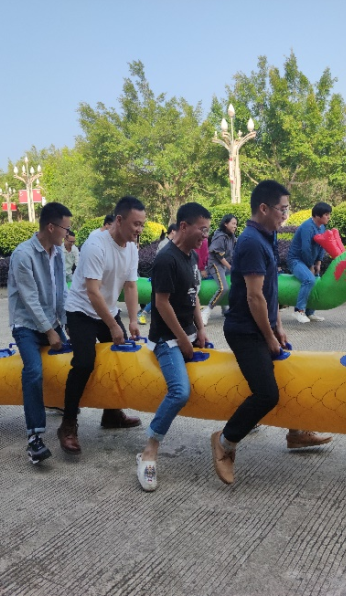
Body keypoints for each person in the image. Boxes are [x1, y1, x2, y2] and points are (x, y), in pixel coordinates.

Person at [210, 180, 292, 485]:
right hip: (245, 331)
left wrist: (278, 326)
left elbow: (271, 290)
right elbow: (254, 297)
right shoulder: (251, 242)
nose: (286, 214)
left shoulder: (268, 235)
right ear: (264, 208)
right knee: (267, 394)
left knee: (289, 372)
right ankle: (225, 441)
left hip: (263, 326)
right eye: (282, 209)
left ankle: (297, 431)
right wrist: (269, 337)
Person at [59, 196, 145, 454]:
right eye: (135, 224)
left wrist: (132, 320)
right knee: (84, 363)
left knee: (121, 359)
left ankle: (111, 414)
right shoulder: (95, 245)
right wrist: (113, 326)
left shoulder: (132, 248)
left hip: (107, 310)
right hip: (81, 310)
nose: (139, 230)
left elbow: (131, 286)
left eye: (142, 224)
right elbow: (92, 292)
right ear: (119, 220)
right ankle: (68, 424)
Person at [136, 203, 210, 491]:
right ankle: (149, 450)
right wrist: (181, 339)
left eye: (207, 230)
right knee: (180, 392)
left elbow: (193, 296)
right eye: (202, 229)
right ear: (183, 226)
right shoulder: (166, 258)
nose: (205, 235)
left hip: (189, 334)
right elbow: (161, 303)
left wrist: (200, 329)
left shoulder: (191, 256)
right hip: (166, 340)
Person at [7, 203, 71, 464]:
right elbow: (29, 298)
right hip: (26, 325)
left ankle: (68, 423)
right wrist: (49, 331)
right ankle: (34, 438)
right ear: (51, 227)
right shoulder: (23, 254)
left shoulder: (58, 252)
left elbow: (61, 291)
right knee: (33, 371)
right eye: (66, 228)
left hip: (52, 322)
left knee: (71, 366)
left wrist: (65, 324)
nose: (68, 234)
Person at [288, 203, 331, 323]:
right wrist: (310, 265)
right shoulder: (307, 227)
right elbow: (305, 249)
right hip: (296, 260)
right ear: (317, 215)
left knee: (317, 281)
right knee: (309, 279)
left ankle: (310, 312)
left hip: (310, 261)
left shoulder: (321, 227)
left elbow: (322, 245)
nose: (328, 217)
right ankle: (299, 311)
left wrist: (318, 262)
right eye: (326, 214)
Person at [138, 224, 178, 326]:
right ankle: (143, 313)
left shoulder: (170, 243)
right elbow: (161, 260)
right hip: (162, 274)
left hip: (167, 273)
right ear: (173, 231)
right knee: (160, 296)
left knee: (165, 296)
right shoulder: (165, 244)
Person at [201, 214, 237, 325]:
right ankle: (207, 311)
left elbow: (237, 246)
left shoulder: (231, 236)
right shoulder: (220, 236)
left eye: (236, 224)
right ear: (226, 224)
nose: (235, 226)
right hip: (216, 264)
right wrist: (230, 267)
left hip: (224, 264)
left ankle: (225, 307)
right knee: (223, 288)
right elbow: (219, 256)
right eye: (233, 223)